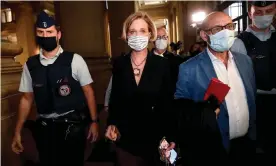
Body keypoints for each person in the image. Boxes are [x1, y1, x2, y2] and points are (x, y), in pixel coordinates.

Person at [11, 11, 99, 166]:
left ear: (58, 34)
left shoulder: (75, 60)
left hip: (72, 127)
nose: (45, 36)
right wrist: (17, 131)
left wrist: (94, 121)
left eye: (49, 32)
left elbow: (88, 91)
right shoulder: (31, 65)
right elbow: (26, 99)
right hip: (45, 129)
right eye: (41, 32)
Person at [175, 12, 256, 163]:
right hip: (212, 150)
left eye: (230, 26)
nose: (226, 32)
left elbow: (251, 100)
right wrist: (205, 111)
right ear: (204, 36)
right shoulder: (188, 68)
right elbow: (180, 110)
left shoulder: (246, 62)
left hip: (246, 145)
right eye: (218, 29)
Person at [104, 11, 175, 166]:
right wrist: (112, 123)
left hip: (155, 138)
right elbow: (115, 98)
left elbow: (168, 103)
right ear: (127, 35)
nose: (137, 35)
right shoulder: (120, 64)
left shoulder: (161, 64)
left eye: (142, 31)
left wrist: (171, 136)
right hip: (126, 137)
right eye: (132, 31)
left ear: (150, 34)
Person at [231, 1, 276, 156]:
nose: (264, 15)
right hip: (252, 103)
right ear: (250, 14)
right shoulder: (238, 42)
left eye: (269, 10)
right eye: (258, 12)